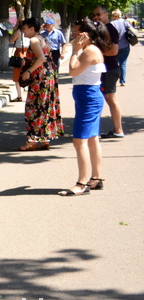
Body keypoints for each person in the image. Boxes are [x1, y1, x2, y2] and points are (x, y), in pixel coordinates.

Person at [59, 18, 109, 195]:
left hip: (88, 98)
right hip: (87, 97)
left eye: (76, 33)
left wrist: (74, 51)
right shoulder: (90, 49)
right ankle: (96, 178)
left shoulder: (88, 51)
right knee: (92, 139)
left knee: (79, 140)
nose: (73, 36)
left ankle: (82, 183)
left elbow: (72, 71)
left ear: (86, 35)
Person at [19, 17, 64, 150]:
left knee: (33, 108)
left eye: (25, 29)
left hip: (40, 77)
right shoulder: (41, 38)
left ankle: (32, 141)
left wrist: (28, 71)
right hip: (49, 77)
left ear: (32, 28)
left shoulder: (33, 40)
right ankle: (44, 139)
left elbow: (41, 58)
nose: (23, 32)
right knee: (45, 107)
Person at [93, 5, 124, 139]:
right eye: (94, 15)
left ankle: (118, 130)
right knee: (102, 98)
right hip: (104, 69)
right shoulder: (100, 30)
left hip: (110, 69)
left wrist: (96, 54)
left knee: (111, 99)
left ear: (106, 15)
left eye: (98, 14)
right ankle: (98, 130)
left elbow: (114, 51)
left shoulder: (110, 29)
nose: (96, 17)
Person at [9, 22, 29, 102]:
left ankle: (19, 96)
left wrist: (14, 31)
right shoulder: (29, 32)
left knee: (17, 77)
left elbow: (10, 41)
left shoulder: (18, 32)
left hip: (19, 54)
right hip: (28, 54)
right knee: (28, 75)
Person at [111, 9, 131, 86]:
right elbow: (133, 31)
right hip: (125, 46)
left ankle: (113, 80)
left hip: (114, 47)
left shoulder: (112, 24)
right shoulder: (125, 23)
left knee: (114, 64)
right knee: (123, 64)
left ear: (114, 16)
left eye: (112, 15)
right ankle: (122, 81)